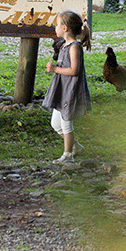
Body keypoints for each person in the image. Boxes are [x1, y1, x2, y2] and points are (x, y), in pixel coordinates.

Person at [42, 9, 92, 163]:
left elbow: (74, 70)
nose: (55, 27)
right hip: (62, 89)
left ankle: (67, 155)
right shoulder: (64, 45)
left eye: (57, 25)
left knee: (66, 122)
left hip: (70, 91)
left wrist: (55, 69)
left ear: (65, 29)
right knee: (55, 123)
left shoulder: (75, 47)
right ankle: (75, 146)